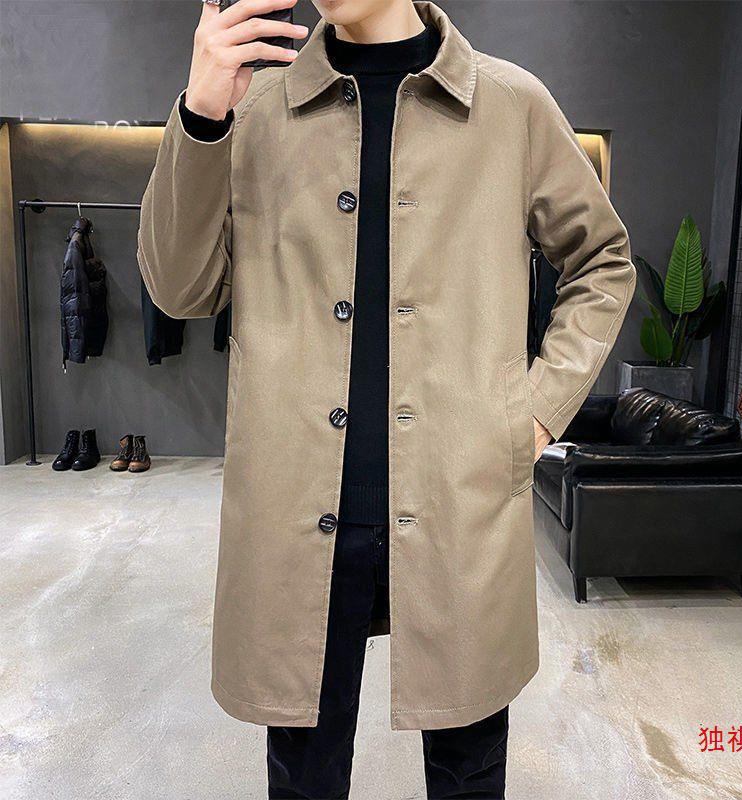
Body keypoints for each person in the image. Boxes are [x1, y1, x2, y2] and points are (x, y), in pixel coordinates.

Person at [137, 0, 637, 796]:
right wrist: (201, 117)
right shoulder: (254, 109)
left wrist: (540, 407)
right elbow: (180, 287)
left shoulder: (509, 105)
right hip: (295, 511)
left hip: (459, 501)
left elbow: (603, 260)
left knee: (469, 768)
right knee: (304, 774)